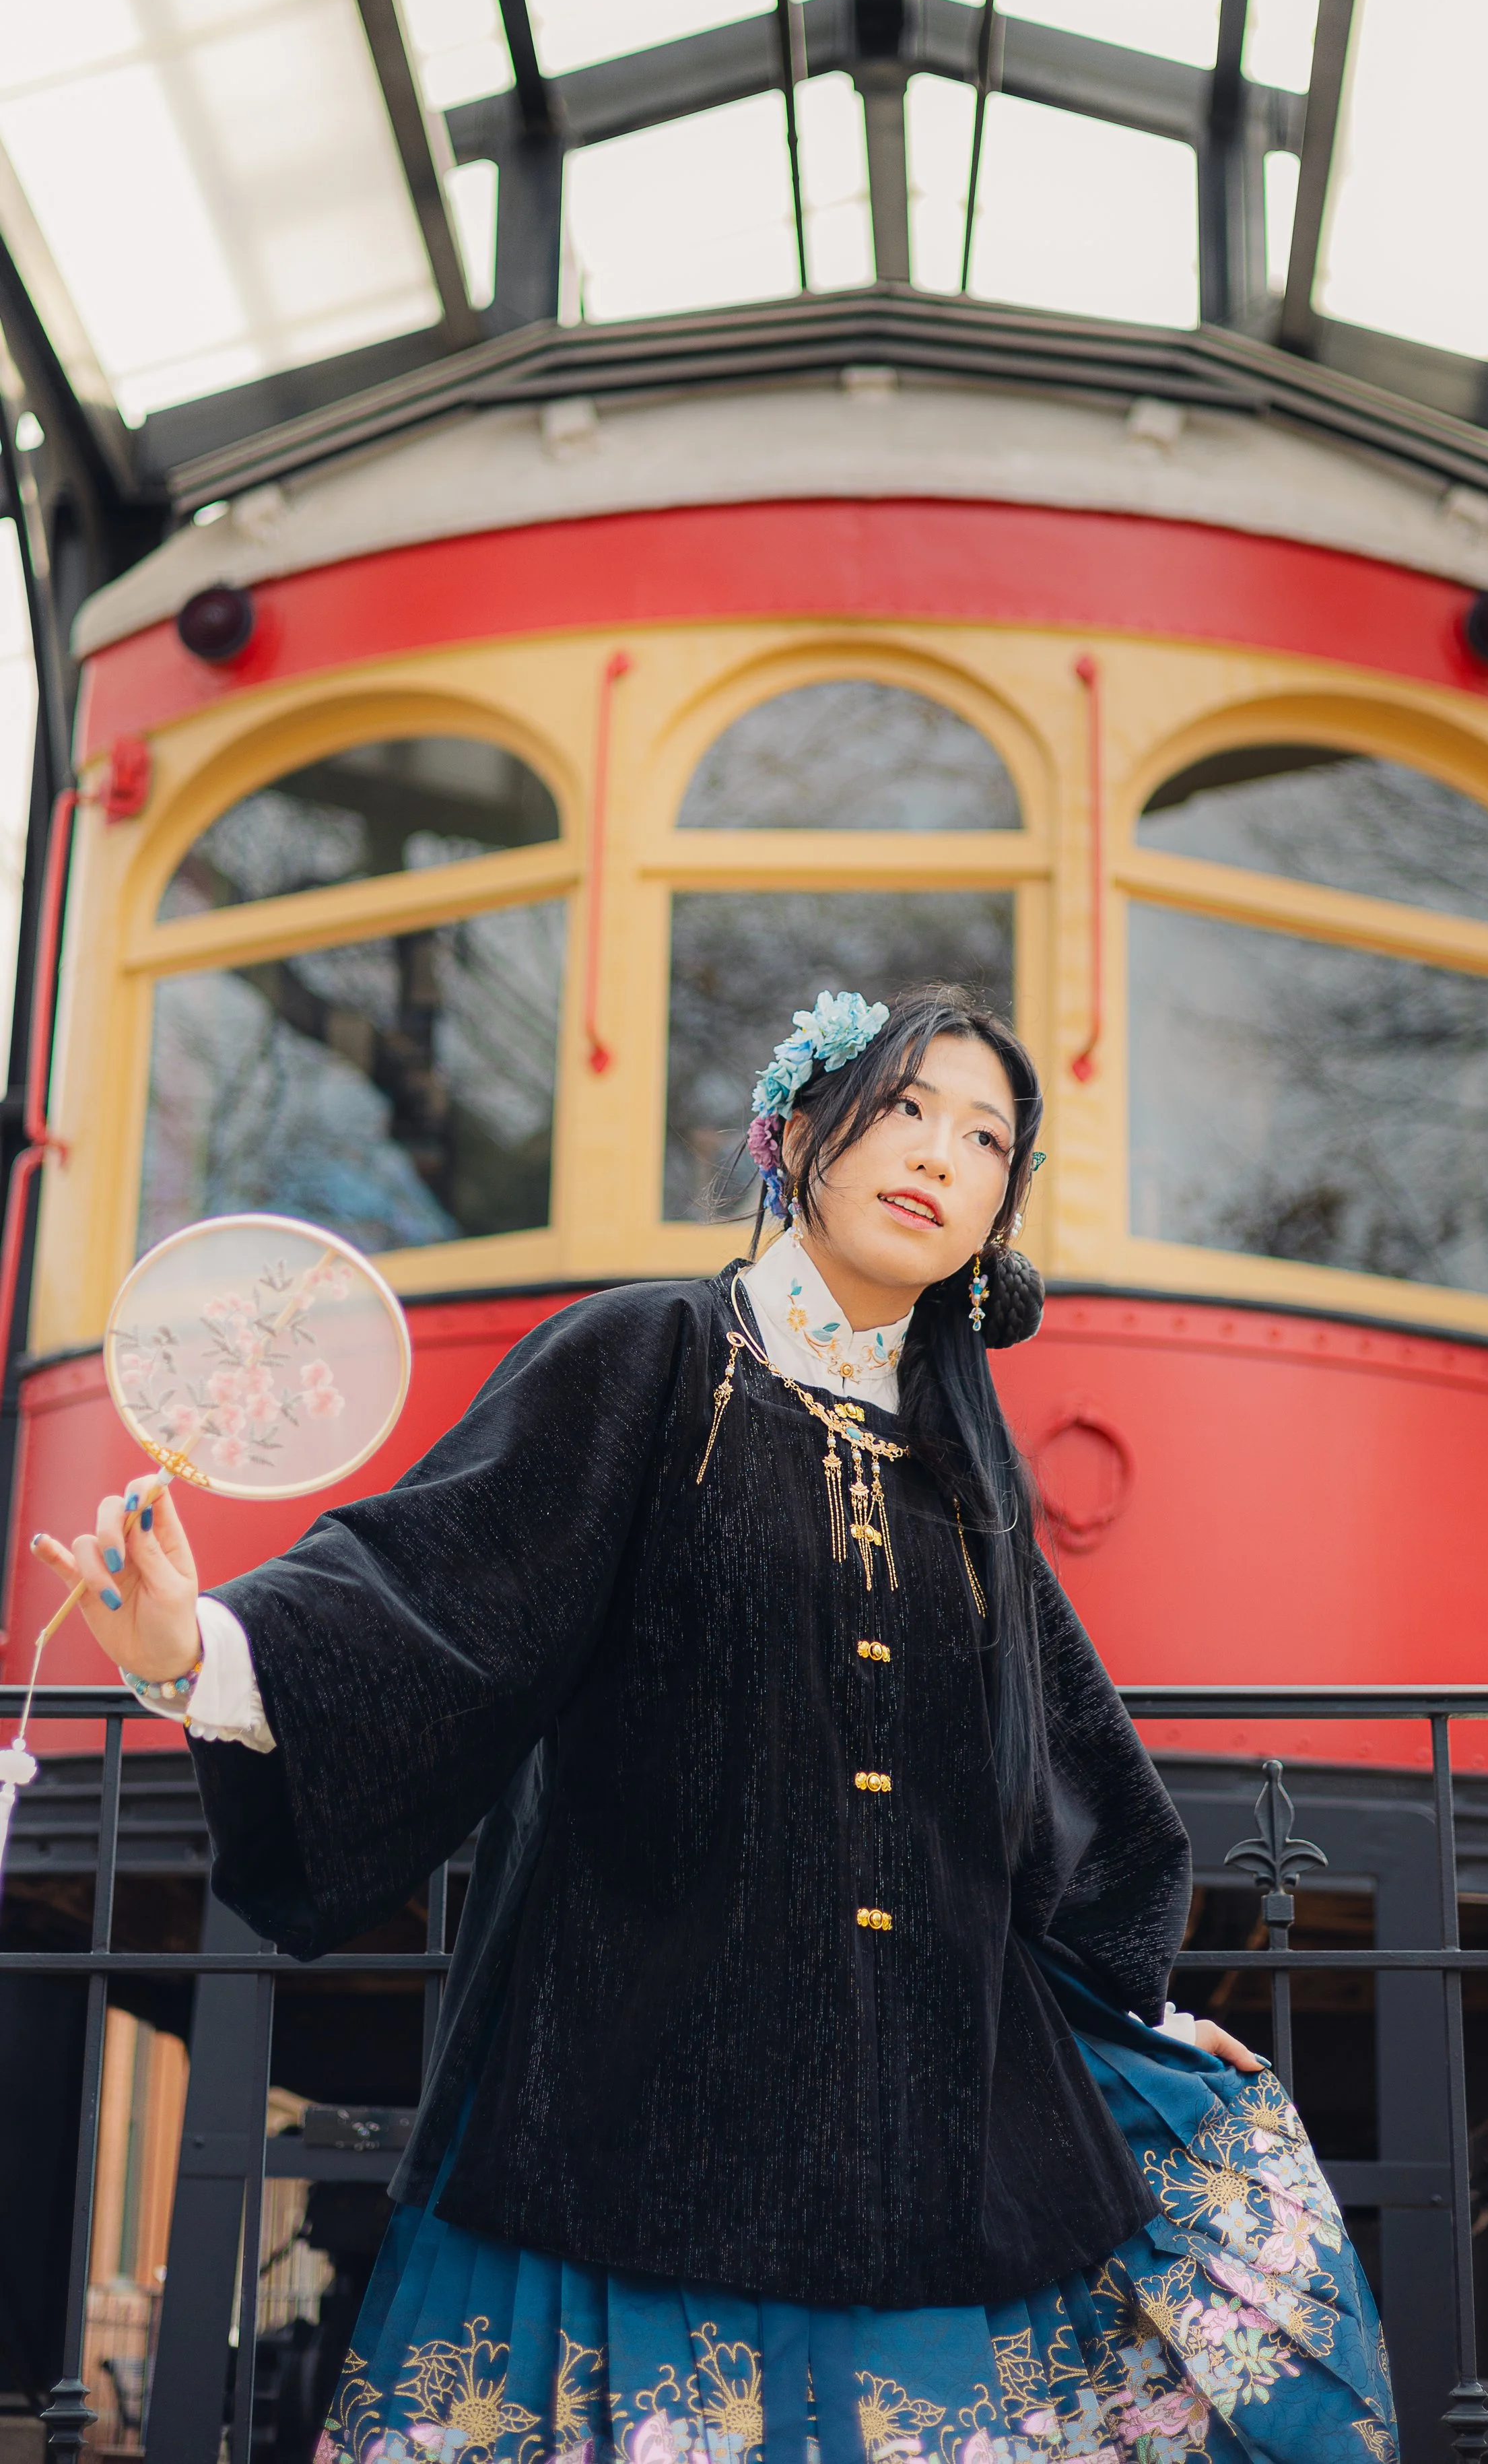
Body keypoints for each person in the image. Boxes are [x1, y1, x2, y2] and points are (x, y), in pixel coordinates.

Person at [38, 986, 1396, 2464]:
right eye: (900, 1110)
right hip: (645, 2097)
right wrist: (194, 1654)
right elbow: (442, 1587)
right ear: (798, 1135)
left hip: (921, 2128)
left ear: (1002, 1208)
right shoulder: (652, 1361)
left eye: (984, 1138)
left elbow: (1058, 1778)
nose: (937, 1154)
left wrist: (1130, 2009)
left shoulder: (969, 1475)